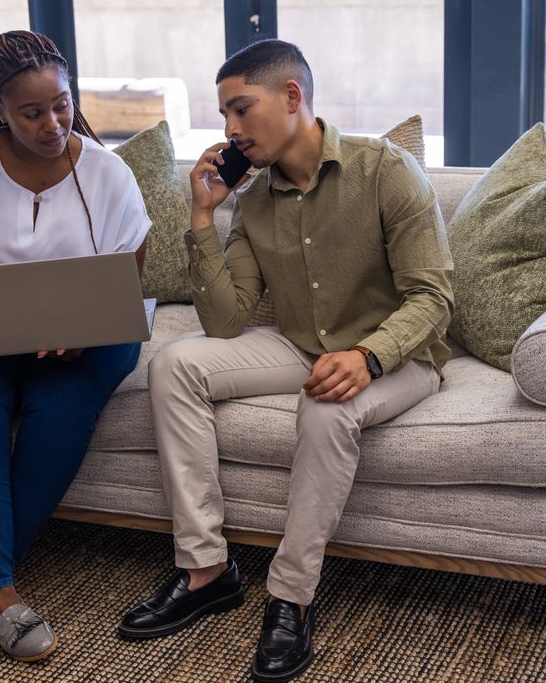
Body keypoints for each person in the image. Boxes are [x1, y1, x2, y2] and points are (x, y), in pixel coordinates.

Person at [119, 39, 453, 682]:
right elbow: (225, 320)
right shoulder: (252, 201)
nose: (230, 130)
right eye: (225, 116)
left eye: (241, 110)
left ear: (292, 97)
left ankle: (290, 599)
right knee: (175, 365)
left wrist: (369, 356)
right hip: (300, 343)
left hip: (401, 353)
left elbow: (433, 298)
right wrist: (201, 214)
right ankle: (207, 570)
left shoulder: (385, 170)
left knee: (327, 410)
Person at [0, 30, 150, 662]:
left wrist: (82, 325)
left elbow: (128, 271)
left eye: (62, 105)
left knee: (66, 401)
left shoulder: (107, 173)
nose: (53, 123)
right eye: (32, 112)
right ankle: (0, 595)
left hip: (85, 330)